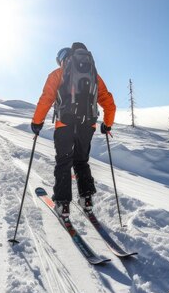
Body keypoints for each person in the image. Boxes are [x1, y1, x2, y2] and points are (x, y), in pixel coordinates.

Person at [31, 42, 116, 218]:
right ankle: (86, 200)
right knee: (81, 161)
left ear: (65, 56)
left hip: (65, 125)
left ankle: (63, 204)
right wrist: (107, 124)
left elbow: (46, 99)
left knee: (64, 162)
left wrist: (37, 122)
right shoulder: (94, 76)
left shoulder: (58, 73)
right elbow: (109, 103)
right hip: (87, 125)